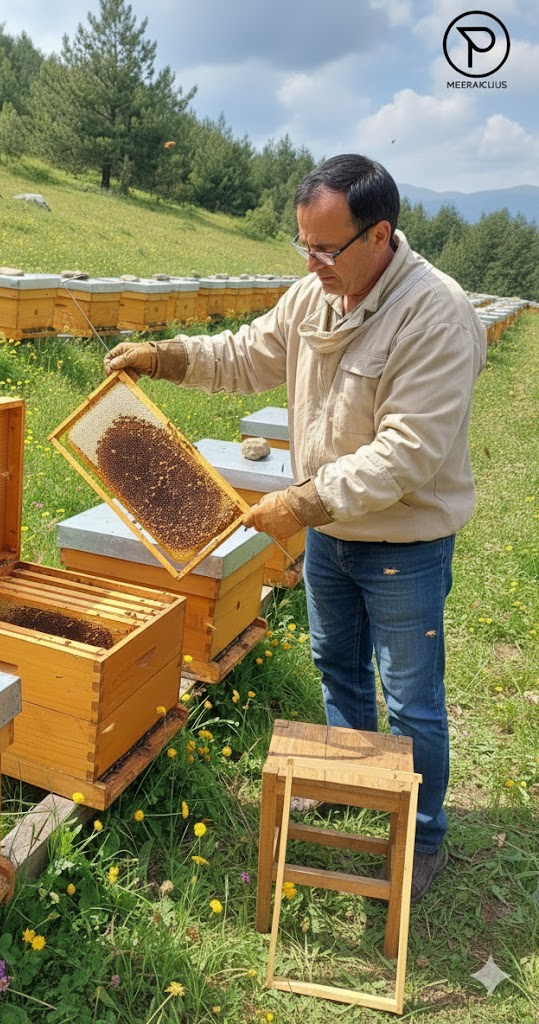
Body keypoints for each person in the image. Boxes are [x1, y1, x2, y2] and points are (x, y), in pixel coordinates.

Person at [103, 153, 487, 902]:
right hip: (329, 535)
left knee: (410, 698)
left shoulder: (436, 314)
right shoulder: (315, 295)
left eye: (325, 248)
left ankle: (425, 833)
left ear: (378, 236)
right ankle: (347, 781)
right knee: (336, 671)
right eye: (301, 246)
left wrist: (299, 504)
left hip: (403, 545)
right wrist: (166, 356)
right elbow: (248, 352)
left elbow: (405, 453)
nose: (311, 264)